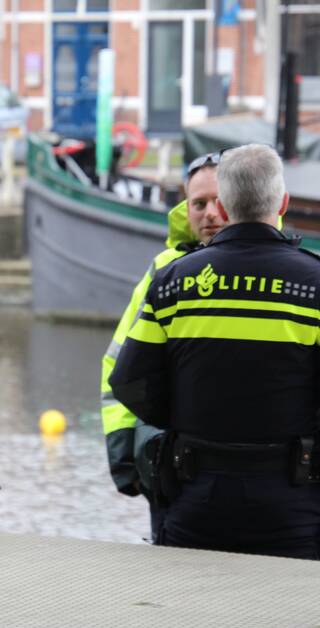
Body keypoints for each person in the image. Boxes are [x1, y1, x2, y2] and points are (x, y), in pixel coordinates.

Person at [109, 144, 320, 561]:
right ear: (283, 203)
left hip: (195, 495)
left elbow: (128, 380)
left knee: (190, 618)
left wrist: (185, 422)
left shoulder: (174, 281)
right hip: (294, 503)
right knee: (300, 624)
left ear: (226, 207)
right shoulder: (319, 285)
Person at [100, 152, 223, 542]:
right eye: (198, 204)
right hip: (172, 464)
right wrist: (124, 453)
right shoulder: (164, 270)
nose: (209, 214)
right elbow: (120, 363)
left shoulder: (279, 269)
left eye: (220, 202)